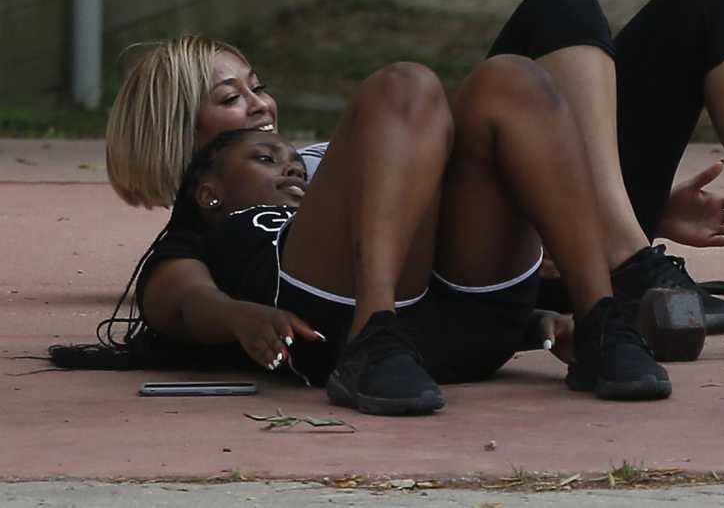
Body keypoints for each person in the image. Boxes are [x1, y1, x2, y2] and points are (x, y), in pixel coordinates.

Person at [102, 0, 724, 327]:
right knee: (556, 10)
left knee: (709, 3)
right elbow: (182, 292)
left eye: (257, 85)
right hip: (484, 258)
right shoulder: (222, 230)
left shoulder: (312, 157)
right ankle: (624, 264)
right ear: (178, 140)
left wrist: (647, 203)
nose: (261, 105)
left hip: (548, 201)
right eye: (231, 97)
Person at [86, 57, 672, 413]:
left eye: (289, 158)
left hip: (465, 318)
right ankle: (375, 331)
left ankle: (602, 323)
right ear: (207, 189)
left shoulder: (328, 189)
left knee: (511, 79)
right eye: (266, 158)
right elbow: (174, 298)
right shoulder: (211, 230)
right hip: (339, 325)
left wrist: (542, 323)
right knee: (405, 85)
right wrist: (237, 316)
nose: (289, 165)